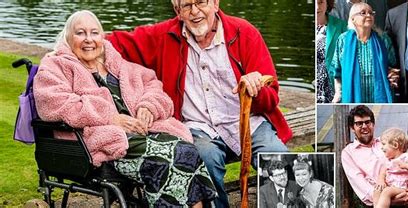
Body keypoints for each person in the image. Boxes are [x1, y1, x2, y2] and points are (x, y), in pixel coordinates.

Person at [106, 0, 291, 207]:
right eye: (186, 5)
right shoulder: (164, 36)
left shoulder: (244, 32)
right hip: (199, 127)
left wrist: (255, 90)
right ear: (178, 11)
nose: (195, 11)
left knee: (279, 158)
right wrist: (75, 41)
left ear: (215, 3)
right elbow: (111, 41)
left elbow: (272, 96)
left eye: (201, 2)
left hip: (249, 121)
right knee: (204, 158)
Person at [32, 10, 217, 207]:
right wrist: (110, 118)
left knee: (187, 150)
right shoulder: (55, 66)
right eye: (80, 33)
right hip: (101, 142)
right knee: (167, 158)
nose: (88, 39)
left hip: (142, 133)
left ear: (102, 37)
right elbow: (54, 104)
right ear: (68, 38)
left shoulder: (116, 64)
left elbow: (153, 86)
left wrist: (148, 107)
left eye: (94, 33)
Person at [341, 105, 408, 206]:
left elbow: (406, 162)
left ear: (373, 124)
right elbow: (362, 186)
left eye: (367, 122)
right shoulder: (349, 153)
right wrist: (389, 201)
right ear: (352, 128)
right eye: (359, 123)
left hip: (406, 195)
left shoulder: (386, 142)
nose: (364, 126)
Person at [331, 3, 398, 103]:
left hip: (379, 96)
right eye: (363, 13)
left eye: (371, 13)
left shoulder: (383, 39)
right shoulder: (343, 40)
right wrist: (338, 94)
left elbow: (393, 64)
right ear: (353, 19)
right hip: (352, 96)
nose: (368, 15)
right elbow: (336, 71)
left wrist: (392, 74)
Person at [373, 128, 408, 208]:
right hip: (393, 187)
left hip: (405, 187)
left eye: (384, 144)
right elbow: (383, 171)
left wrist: (406, 166)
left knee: (387, 191)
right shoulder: (388, 160)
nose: (381, 148)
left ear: (395, 145)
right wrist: (381, 180)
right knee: (377, 190)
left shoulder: (406, 157)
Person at [316, 0, 347, 103]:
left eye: (321, 2)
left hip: (332, 88)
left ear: (327, 3)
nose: (317, 7)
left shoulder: (341, 26)